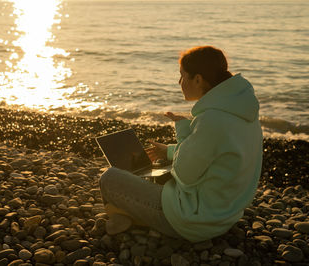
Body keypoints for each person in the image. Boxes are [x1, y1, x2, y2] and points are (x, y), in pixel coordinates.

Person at [99, 46, 263, 242]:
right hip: (225, 215)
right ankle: (128, 215)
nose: (179, 83)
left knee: (109, 178)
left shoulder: (211, 119)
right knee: (159, 171)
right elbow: (217, 155)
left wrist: (184, 132)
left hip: (192, 221)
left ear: (198, 79)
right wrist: (168, 151)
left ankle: (128, 217)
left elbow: (184, 175)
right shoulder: (246, 114)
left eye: (182, 76)